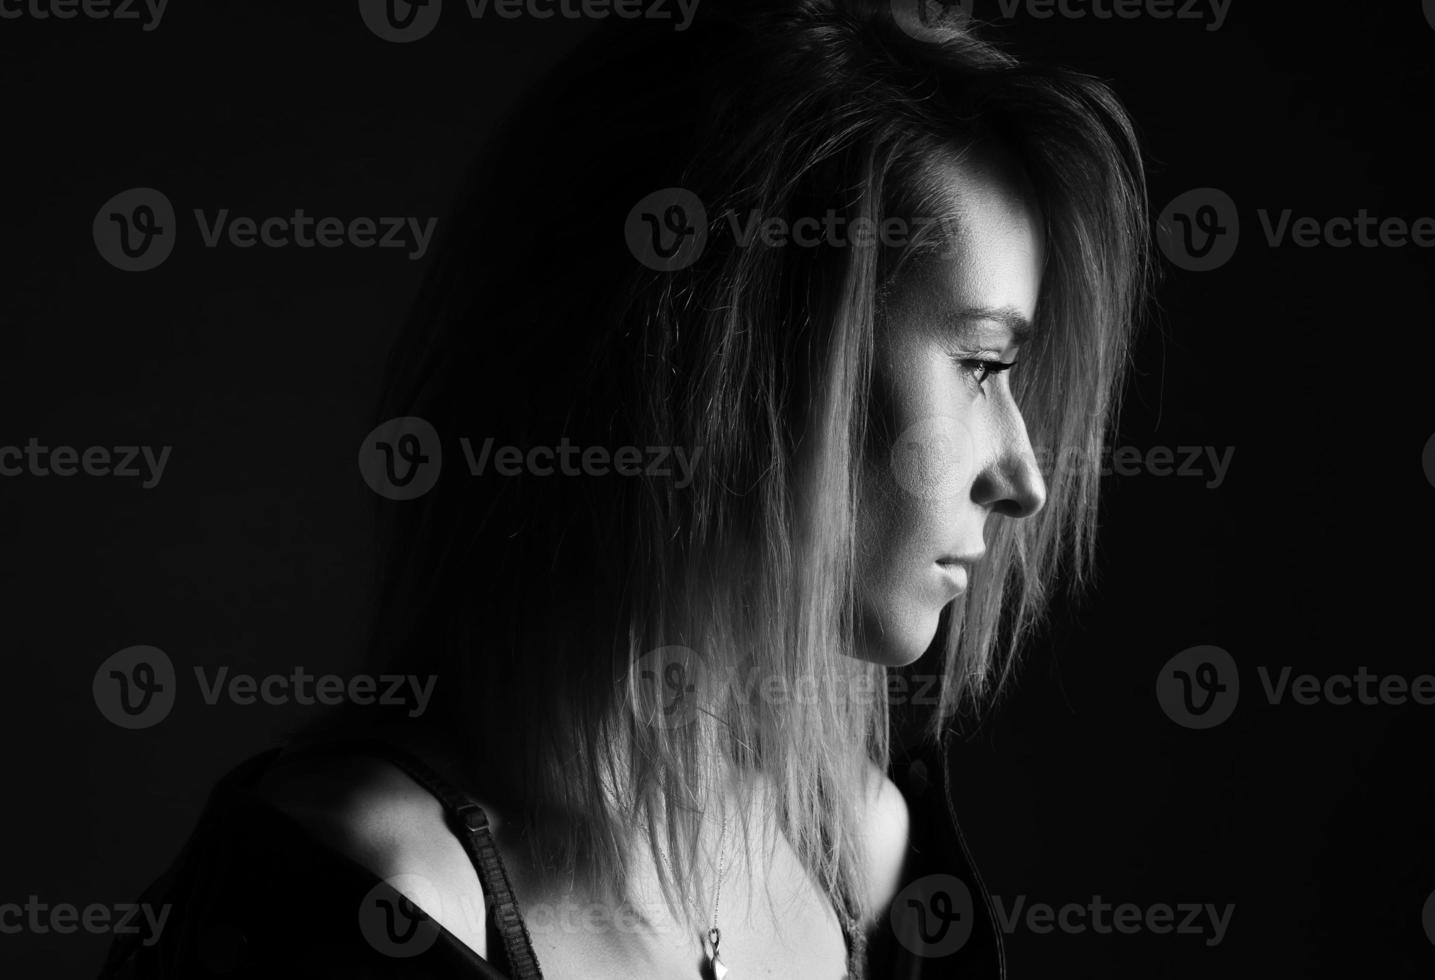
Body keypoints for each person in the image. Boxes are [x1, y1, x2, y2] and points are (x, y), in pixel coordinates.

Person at [102, 0, 1150, 976]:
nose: (1024, 479)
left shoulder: (871, 861)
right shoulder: (368, 896)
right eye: (979, 363)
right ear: (731, 365)